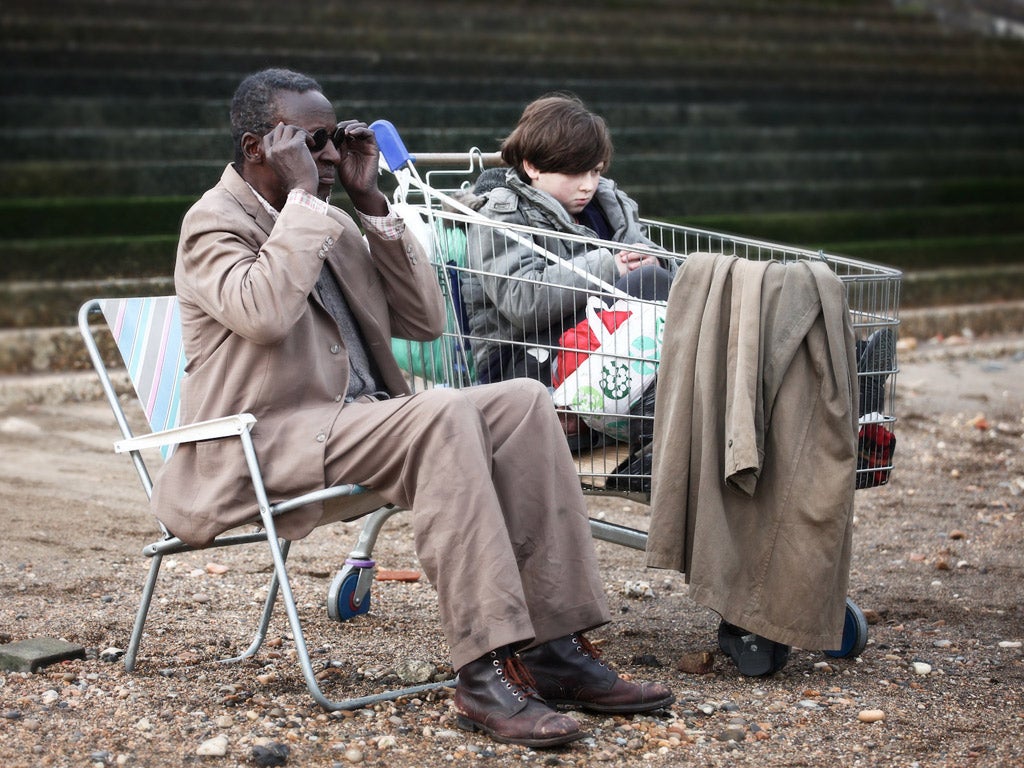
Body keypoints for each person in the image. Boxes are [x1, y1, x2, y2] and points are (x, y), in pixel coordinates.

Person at [150, 68, 673, 749]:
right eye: (312, 143)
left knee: (521, 403)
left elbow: (425, 321)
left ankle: (554, 650)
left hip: (355, 423)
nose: (332, 156)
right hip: (265, 439)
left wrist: (370, 206)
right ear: (258, 147)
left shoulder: (333, 218)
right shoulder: (212, 224)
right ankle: (483, 672)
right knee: (444, 413)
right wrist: (309, 202)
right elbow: (264, 313)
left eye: (335, 139)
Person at [461, 93, 675, 390]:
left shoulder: (609, 206)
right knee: (648, 281)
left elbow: (650, 260)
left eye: (595, 171)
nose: (587, 184)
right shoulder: (500, 215)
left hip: (604, 339)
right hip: (526, 361)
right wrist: (610, 266)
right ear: (533, 167)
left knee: (663, 279)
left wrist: (653, 258)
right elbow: (522, 300)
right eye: (574, 172)